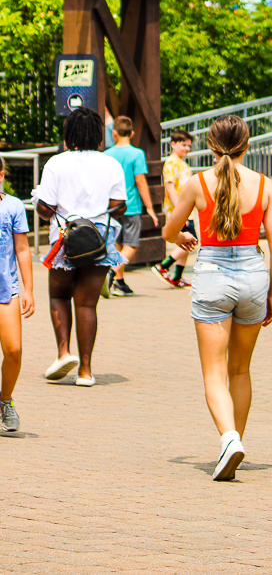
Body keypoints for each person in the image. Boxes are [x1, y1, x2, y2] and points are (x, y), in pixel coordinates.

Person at [163, 115, 272, 481]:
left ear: (210, 146)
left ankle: (228, 438)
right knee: (240, 370)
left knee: (214, 373)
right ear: (247, 146)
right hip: (253, 275)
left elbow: (170, 230)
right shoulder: (264, 185)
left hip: (213, 275)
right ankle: (235, 444)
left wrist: (183, 238)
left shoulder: (197, 183)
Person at [34, 108, 126, 387]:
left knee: (59, 295)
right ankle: (85, 371)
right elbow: (120, 205)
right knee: (87, 304)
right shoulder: (111, 164)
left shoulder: (56, 163)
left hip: (64, 239)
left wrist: (40, 202)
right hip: (98, 239)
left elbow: (45, 210)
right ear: (99, 134)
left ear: (68, 133)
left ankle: (64, 353)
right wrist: (97, 211)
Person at [105, 115, 159, 295]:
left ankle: (119, 283)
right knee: (132, 244)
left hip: (112, 206)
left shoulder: (106, 155)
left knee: (118, 243)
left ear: (114, 133)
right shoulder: (137, 154)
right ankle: (112, 271)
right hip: (131, 205)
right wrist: (150, 208)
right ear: (132, 133)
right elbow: (141, 181)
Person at [0, 156, 34, 432]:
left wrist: (29, 289)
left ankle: (5, 400)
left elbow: (22, 249)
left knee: (13, 350)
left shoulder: (13, 206)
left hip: (6, 290)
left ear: (1, 175)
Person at [152, 129, 196, 288]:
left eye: (189, 146)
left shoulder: (183, 164)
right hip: (178, 210)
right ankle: (164, 265)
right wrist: (180, 209)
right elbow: (170, 187)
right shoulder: (171, 162)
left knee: (187, 242)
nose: (186, 149)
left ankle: (177, 277)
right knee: (191, 240)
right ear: (173, 144)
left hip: (186, 210)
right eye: (183, 145)